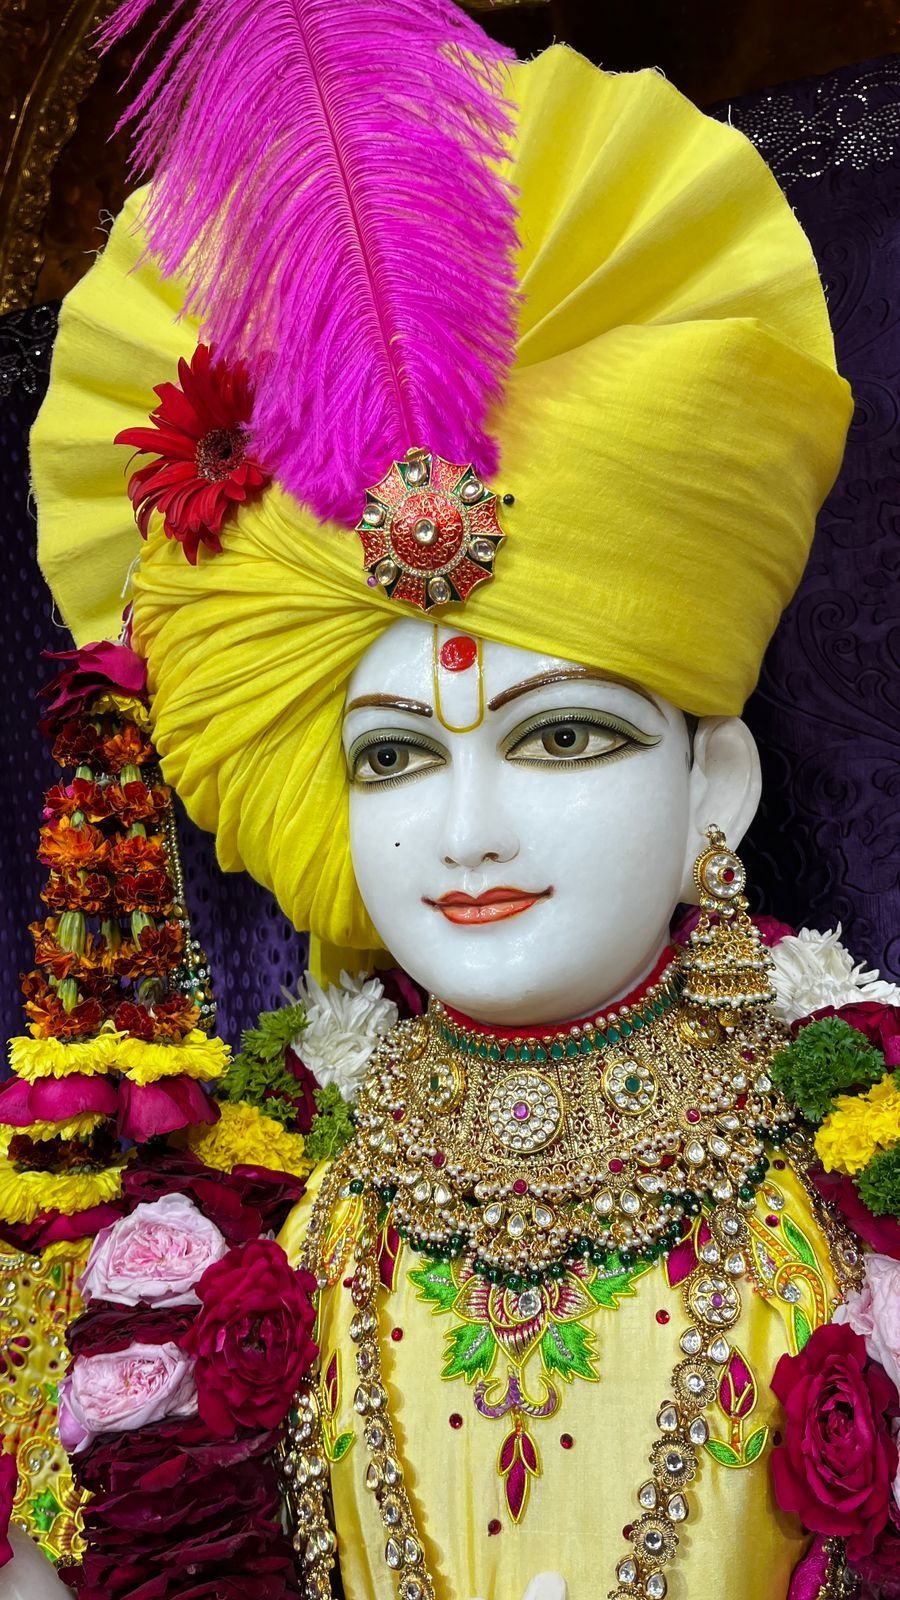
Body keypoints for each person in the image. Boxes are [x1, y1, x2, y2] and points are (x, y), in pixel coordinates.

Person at [9, 0, 886, 1593]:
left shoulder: (856, 1197)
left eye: (559, 741)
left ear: (719, 791)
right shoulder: (234, 1246)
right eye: (397, 757)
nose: (467, 828)